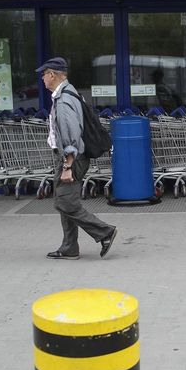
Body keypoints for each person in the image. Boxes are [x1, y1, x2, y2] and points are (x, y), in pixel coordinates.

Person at [36, 56, 117, 260]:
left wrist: (67, 166)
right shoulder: (69, 93)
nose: (42, 79)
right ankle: (69, 247)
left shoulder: (64, 100)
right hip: (71, 158)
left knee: (64, 203)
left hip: (72, 159)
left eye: (44, 75)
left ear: (52, 74)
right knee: (66, 201)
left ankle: (104, 231)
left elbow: (71, 135)